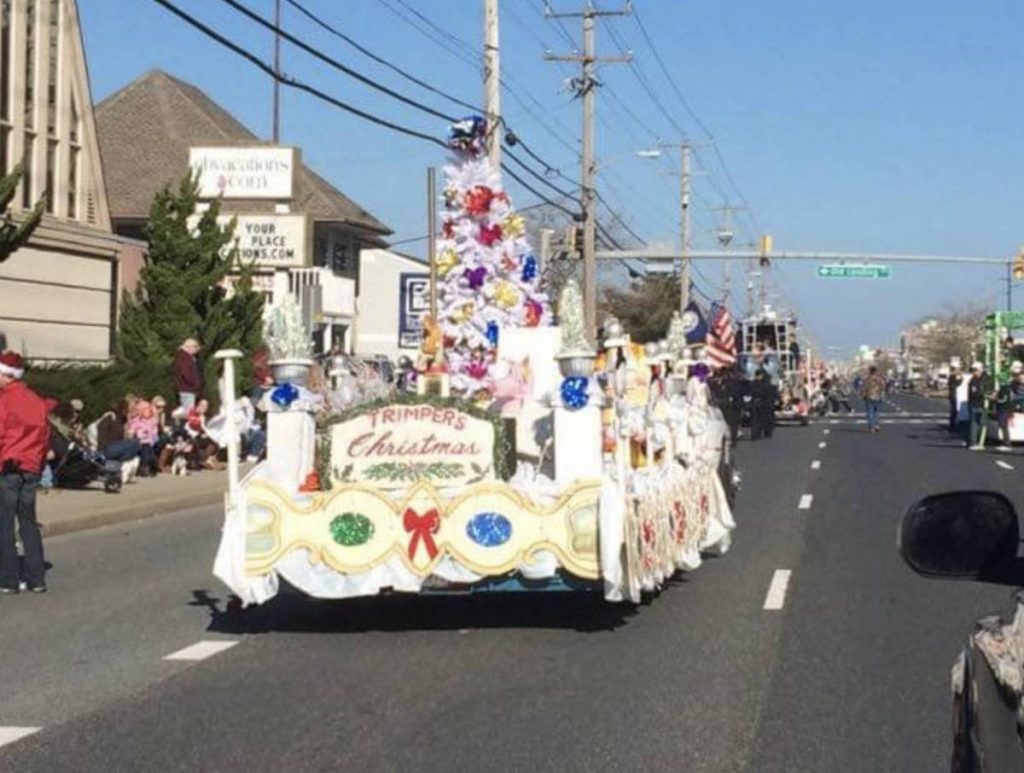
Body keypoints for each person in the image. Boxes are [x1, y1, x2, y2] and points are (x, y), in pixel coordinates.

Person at [0, 352, 51, 593]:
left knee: (5, 524)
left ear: (7, 375)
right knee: (29, 522)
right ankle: (36, 578)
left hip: (8, 467)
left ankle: (9, 579)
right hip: (31, 467)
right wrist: (38, 464)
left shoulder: (4, 401)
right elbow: (45, 437)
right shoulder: (36, 400)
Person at [750, 370, 777, 440]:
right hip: (756, 404)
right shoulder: (753, 384)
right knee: (755, 420)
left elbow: (770, 395)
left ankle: (763, 432)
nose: (758, 377)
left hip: (764, 404)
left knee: (763, 420)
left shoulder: (766, 385)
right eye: (757, 376)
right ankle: (755, 434)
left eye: (759, 375)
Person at [174, 338, 202, 410]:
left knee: (189, 412)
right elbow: (185, 374)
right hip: (187, 390)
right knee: (189, 413)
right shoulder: (184, 358)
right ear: (189, 347)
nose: (197, 349)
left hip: (187, 389)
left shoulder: (186, 357)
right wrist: (194, 384)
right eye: (195, 346)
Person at [966, 362, 988, 450]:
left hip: (982, 404)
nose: (974, 372)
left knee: (982, 424)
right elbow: (974, 393)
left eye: (976, 370)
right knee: (974, 423)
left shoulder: (985, 379)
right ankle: (973, 442)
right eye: (973, 370)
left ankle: (979, 441)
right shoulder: (973, 380)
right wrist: (984, 395)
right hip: (975, 404)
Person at [861, 366, 887, 433]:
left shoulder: (867, 379)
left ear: (869, 371)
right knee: (876, 411)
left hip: (869, 397)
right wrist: (881, 393)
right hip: (877, 396)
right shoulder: (879, 378)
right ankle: (876, 425)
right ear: (876, 371)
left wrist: (863, 395)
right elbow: (883, 386)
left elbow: (863, 388)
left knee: (870, 412)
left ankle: (871, 427)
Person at [947, 366, 962, 433]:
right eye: (956, 370)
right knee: (954, 411)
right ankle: (952, 425)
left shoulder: (951, 377)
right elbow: (956, 384)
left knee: (954, 411)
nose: (957, 371)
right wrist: (961, 379)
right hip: (954, 396)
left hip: (953, 395)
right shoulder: (952, 377)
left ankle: (952, 424)